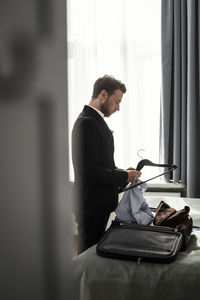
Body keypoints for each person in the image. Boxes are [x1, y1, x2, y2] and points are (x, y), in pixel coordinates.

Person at [72, 75, 141, 254]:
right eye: (117, 101)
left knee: (93, 254)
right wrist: (124, 176)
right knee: (87, 256)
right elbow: (91, 171)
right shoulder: (87, 123)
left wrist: (124, 173)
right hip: (91, 205)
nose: (118, 108)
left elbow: (102, 164)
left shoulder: (94, 121)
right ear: (103, 94)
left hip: (97, 204)